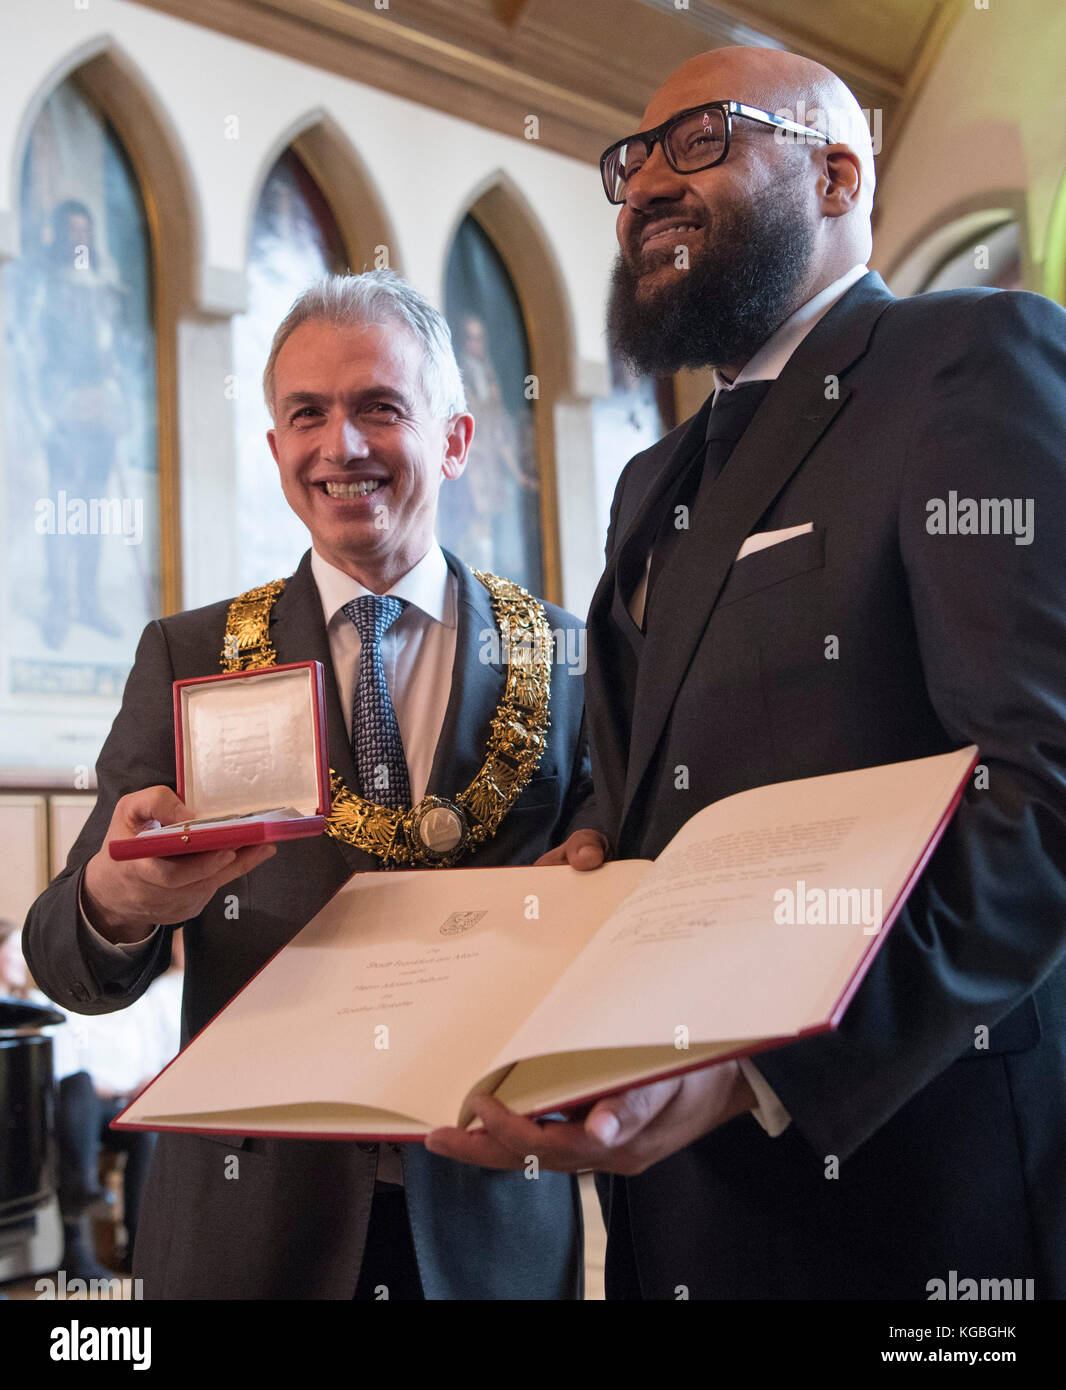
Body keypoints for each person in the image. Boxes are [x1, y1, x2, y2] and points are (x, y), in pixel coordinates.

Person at [425, 45, 1066, 1300]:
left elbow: (1041, 787)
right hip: (676, 1201)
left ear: (837, 174)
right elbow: (636, 799)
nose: (645, 184)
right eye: (632, 161)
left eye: (701, 138)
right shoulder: (647, 483)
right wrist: (587, 873)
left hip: (917, 1185)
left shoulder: (969, 362)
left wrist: (764, 1068)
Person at [23, 270, 594, 1300]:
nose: (343, 446)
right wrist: (117, 901)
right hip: (250, 1223)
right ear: (278, 449)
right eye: (307, 415)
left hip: (487, 1221)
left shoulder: (565, 656)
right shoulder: (191, 653)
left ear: (456, 440)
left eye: (380, 407)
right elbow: (62, 958)